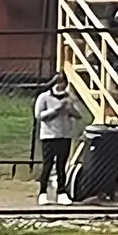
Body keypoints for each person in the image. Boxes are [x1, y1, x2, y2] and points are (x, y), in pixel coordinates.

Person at [33, 75, 83, 205]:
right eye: (59, 83)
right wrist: (56, 110)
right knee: (48, 164)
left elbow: (78, 115)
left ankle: (61, 192)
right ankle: (42, 193)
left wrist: (70, 109)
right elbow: (39, 115)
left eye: (64, 83)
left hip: (65, 135)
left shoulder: (70, 98)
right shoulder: (44, 97)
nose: (61, 86)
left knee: (62, 165)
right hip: (49, 136)